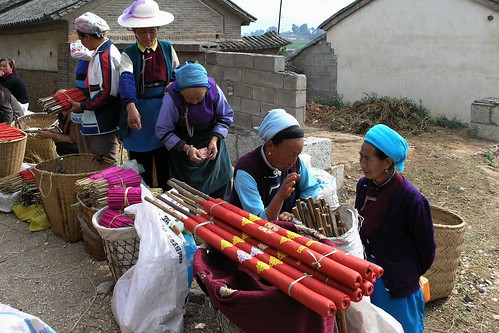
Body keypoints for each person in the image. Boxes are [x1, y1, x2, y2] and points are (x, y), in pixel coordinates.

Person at [354, 124, 436, 333]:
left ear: (387, 163)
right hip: (369, 278)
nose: (362, 163)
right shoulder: (364, 185)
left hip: (396, 287)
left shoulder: (412, 200)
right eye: (361, 156)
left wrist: (405, 274)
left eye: (368, 158)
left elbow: (426, 251)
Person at [117, 0, 179, 190]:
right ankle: (142, 196)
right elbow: (126, 81)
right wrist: (131, 107)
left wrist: (173, 84)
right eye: (142, 31)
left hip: (163, 113)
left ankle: (165, 198)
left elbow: (178, 74)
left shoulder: (167, 48)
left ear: (158, 29)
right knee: (140, 162)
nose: (148, 36)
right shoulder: (129, 54)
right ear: (134, 31)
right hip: (139, 113)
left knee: (164, 160)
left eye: (152, 31)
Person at [156, 62, 233, 198]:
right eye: (189, 98)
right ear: (181, 91)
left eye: (199, 98)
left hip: (212, 140)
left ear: (207, 90)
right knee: (187, 193)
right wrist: (187, 149)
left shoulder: (214, 90)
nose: (195, 102)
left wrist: (214, 141)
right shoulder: (172, 98)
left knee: (220, 184)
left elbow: (225, 115)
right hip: (183, 145)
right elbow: (163, 130)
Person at [230, 109, 320, 221]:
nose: (293, 161)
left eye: (298, 154)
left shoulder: (296, 163)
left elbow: (311, 188)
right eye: (290, 155)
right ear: (270, 146)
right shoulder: (247, 170)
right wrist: (280, 196)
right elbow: (259, 221)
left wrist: (295, 212)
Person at [68, 12, 121, 161]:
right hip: (97, 118)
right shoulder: (100, 53)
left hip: (104, 120)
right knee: (94, 162)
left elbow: (108, 92)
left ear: (87, 37)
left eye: (81, 39)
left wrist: (82, 105)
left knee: (104, 164)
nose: (82, 43)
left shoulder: (105, 55)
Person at [38, 89, 79, 156]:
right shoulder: (61, 114)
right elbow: (64, 132)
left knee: (63, 147)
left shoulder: (74, 115)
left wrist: (50, 135)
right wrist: (50, 132)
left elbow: (73, 139)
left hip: (78, 146)